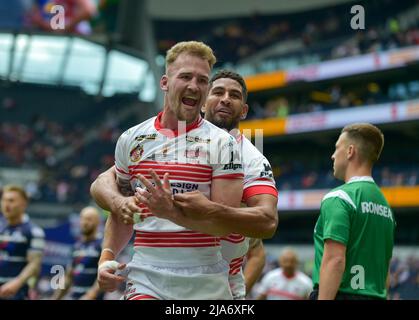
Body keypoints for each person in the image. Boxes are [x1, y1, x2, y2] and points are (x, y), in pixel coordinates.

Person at [91, 69, 279, 300]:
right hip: (153, 280)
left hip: (215, 285)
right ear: (201, 101)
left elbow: (265, 228)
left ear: (244, 110)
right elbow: (105, 183)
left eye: (235, 95)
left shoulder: (251, 159)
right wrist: (117, 213)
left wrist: (211, 209)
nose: (225, 99)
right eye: (217, 92)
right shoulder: (167, 144)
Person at [310, 123, 395, 300]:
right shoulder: (386, 208)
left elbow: (335, 260)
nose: (333, 156)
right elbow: (384, 270)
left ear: (350, 151)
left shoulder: (339, 197)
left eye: (336, 148)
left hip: (341, 294)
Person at [0, 185, 45, 300]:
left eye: (11, 201)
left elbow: (34, 264)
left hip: (15, 292)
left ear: (24, 204)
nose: (6, 205)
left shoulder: (34, 231)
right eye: (4, 200)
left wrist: (17, 282)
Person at [52, 206, 104, 300]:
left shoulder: (102, 244)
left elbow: (104, 276)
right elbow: (68, 276)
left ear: (97, 222)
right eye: (82, 219)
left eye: (89, 219)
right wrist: (55, 298)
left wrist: (89, 296)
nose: (84, 222)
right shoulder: (76, 246)